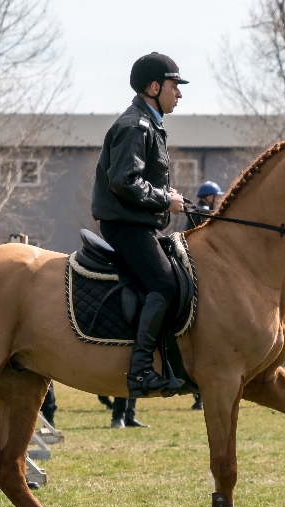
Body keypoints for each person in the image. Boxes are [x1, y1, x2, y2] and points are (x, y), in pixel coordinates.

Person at [90, 52, 187, 398]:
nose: (179, 93)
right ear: (154, 86)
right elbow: (123, 181)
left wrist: (166, 196)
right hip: (126, 227)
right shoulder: (135, 125)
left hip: (139, 225)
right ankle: (141, 371)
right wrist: (165, 200)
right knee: (165, 284)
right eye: (174, 86)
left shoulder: (149, 123)